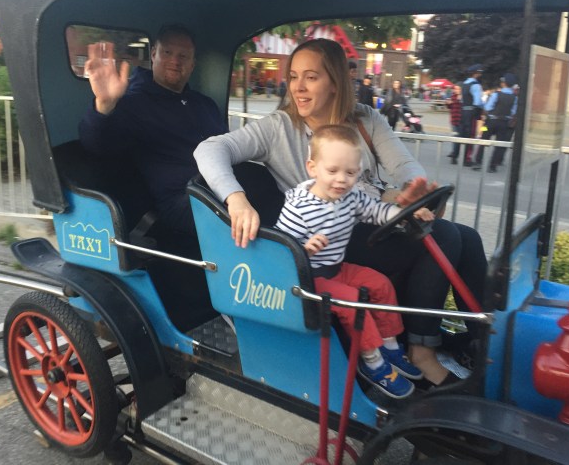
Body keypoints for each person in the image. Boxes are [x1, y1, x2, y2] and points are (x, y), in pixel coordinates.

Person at [194, 38, 488, 388]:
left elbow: (403, 164)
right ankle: (421, 351)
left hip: (370, 216)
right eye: (294, 77)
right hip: (329, 238)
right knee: (445, 236)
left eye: (311, 77)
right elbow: (210, 149)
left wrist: (414, 189)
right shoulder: (279, 127)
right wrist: (236, 199)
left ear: (334, 82)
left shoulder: (365, 119)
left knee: (469, 238)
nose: (298, 87)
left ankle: (482, 343)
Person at [78, 23, 228, 327]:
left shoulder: (204, 105)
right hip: (181, 200)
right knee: (246, 222)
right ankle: (241, 305)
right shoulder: (134, 103)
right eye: (168, 53)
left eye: (183, 56)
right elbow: (97, 144)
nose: (175, 61)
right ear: (154, 55)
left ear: (193, 64)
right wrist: (104, 104)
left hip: (219, 189)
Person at [276, 125, 432, 398]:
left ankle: (390, 348)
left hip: (338, 268)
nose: (341, 180)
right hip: (309, 277)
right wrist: (304, 249)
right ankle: (372, 363)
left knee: (380, 284)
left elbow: (376, 211)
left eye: (350, 173)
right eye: (332, 171)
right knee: (353, 303)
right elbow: (280, 250)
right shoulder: (298, 206)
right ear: (312, 168)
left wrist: (406, 214)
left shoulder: (351, 196)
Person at [472, 73, 518, 173]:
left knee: (483, 140)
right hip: (504, 123)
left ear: (504, 83)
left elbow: (488, 107)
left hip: (490, 121)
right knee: (499, 144)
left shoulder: (496, 94)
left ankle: (478, 162)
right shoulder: (514, 98)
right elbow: (513, 112)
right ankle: (493, 166)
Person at [449, 64, 484, 166]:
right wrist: (484, 107)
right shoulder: (476, 85)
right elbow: (478, 102)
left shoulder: (464, 84)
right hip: (471, 112)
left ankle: (455, 156)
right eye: (479, 73)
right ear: (476, 74)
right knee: (470, 136)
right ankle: (467, 159)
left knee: (460, 135)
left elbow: (461, 100)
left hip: (462, 112)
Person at [446, 84, 463, 162]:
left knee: (458, 138)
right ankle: (453, 152)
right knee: (454, 137)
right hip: (453, 120)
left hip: (460, 121)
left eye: (458, 89)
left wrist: (457, 101)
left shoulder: (463, 97)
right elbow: (450, 107)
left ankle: (455, 155)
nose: (456, 90)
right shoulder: (453, 96)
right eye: (455, 89)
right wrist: (448, 103)